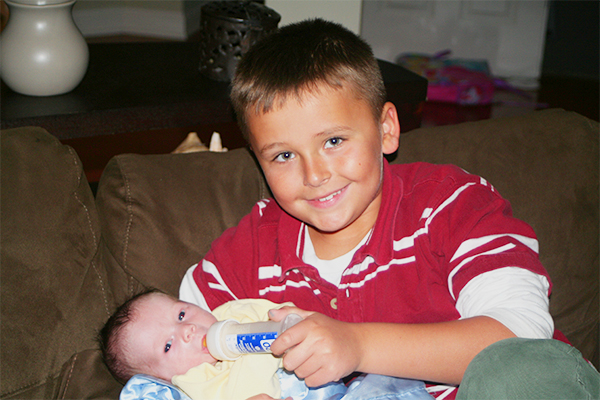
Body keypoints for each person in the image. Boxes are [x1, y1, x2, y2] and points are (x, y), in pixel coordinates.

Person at [180, 18, 599, 399]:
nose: (315, 174)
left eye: (333, 141)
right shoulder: (249, 249)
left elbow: (521, 338)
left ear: (386, 130)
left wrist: (357, 345)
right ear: (258, 159)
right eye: (284, 156)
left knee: (518, 373)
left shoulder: (450, 204)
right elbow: (174, 342)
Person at [99, 289, 433, 400]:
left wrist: (295, 324)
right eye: (168, 347)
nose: (186, 330)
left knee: (382, 382)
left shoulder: (236, 317)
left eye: (181, 313)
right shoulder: (191, 390)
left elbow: (291, 325)